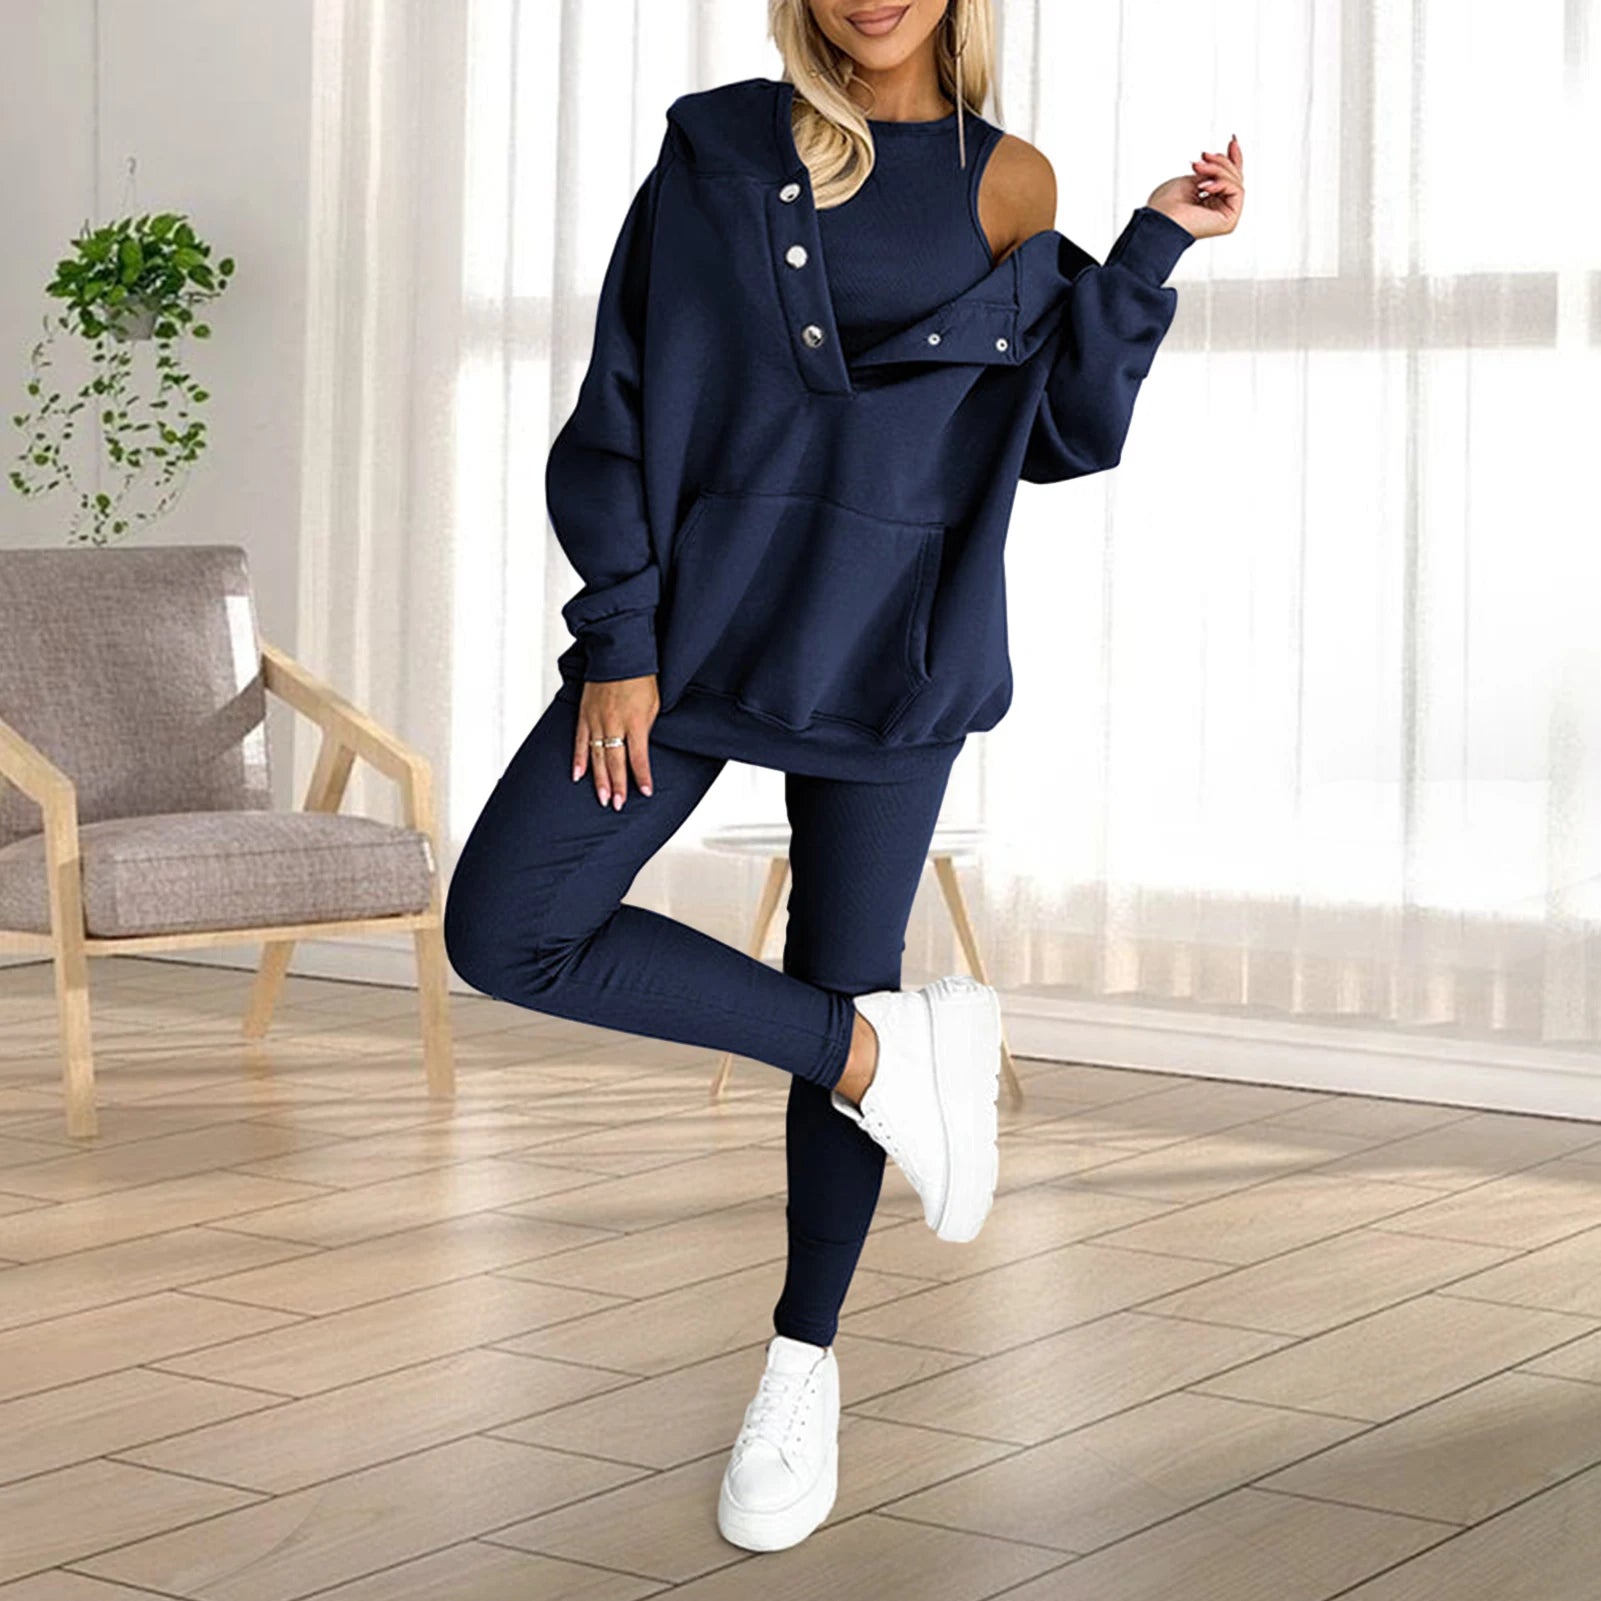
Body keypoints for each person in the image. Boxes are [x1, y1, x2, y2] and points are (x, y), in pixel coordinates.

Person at [444, 0, 1244, 1556]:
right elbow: (620, 395)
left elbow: (1057, 433)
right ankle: (879, 1054)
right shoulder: (719, 147)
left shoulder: (1009, 179)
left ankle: (798, 1366)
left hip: (894, 647)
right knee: (509, 925)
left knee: (844, 959)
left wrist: (1151, 245)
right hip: (691, 637)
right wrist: (618, 635)